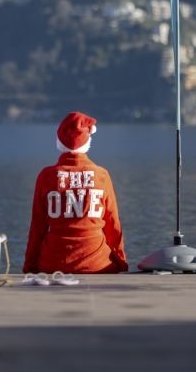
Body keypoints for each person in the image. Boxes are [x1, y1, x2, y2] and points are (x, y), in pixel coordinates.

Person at [23, 111, 128, 274]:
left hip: (53, 264)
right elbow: (113, 225)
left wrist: (30, 266)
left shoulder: (46, 176)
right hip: (97, 264)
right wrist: (121, 261)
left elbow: (38, 227)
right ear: (88, 141)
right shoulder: (101, 175)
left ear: (59, 141)